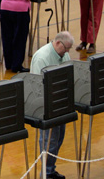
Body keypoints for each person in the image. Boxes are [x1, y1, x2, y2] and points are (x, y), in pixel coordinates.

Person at [30, 31, 74, 179]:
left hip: (60, 103)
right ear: (57, 43)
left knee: (59, 138)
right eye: (66, 48)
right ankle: (46, 173)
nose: (67, 52)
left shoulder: (63, 54)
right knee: (50, 140)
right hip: (45, 105)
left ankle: (50, 169)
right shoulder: (42, 57)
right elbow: (36, 86)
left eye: (69, 49)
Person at [0, 0, 36, 72]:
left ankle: (9, 64)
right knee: (19, 38)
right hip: (20, 10)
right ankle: (16, 66)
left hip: (5, 8)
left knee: (7, 37)